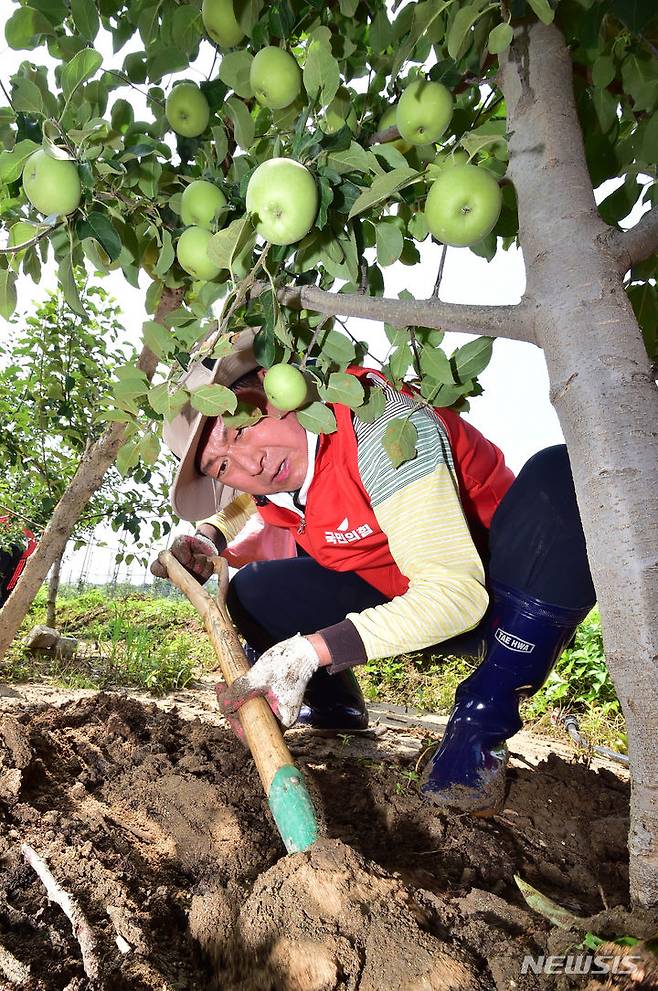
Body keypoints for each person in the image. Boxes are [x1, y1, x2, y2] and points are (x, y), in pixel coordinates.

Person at [153, 328, 596, 815]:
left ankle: (478, 729)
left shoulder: (382, 427)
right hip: (410, 608)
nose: (250, 462)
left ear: (276, 390)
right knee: (254, 592)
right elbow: (247, 498)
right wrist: (210, 536)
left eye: (242, 429)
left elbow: (455, 596)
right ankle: (334, 706)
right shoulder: (282, 469)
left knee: (567, 472)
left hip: (509, 605)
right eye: (220, 466)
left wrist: (309, 650)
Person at [0, 516, 37, 607]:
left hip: (18, 556)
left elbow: (30, 547)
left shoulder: (17, 526)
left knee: (7, 588)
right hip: (15, 553)